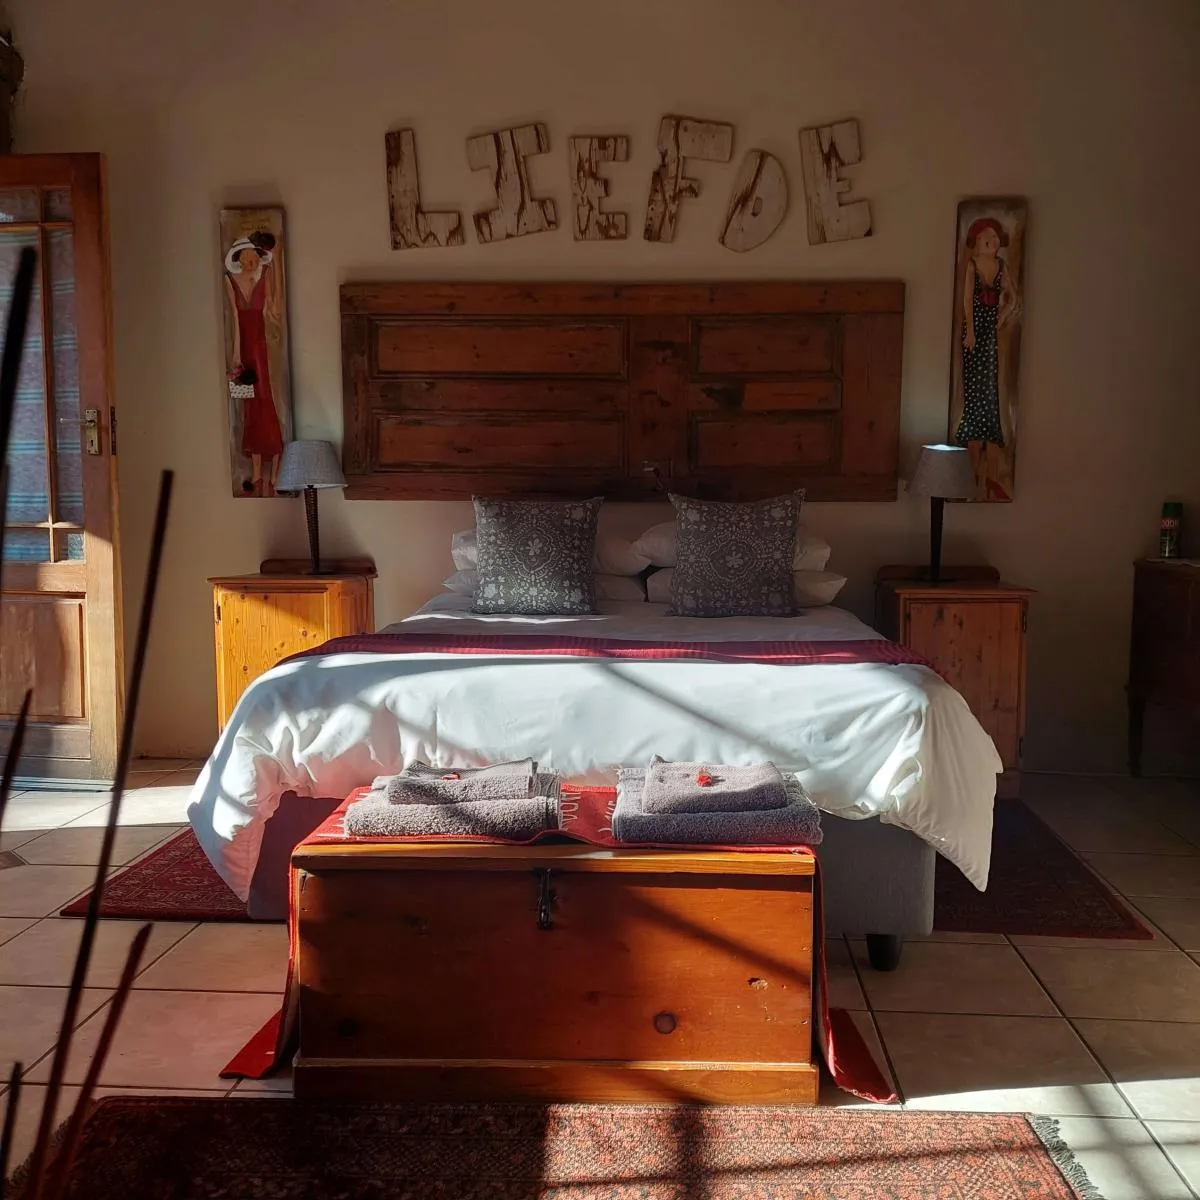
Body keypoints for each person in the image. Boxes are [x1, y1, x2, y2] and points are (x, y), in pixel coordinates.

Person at [954, 216, 1019, 500]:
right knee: (975, 389)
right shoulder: (972, 266)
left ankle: (990, 475)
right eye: (984, 239)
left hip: (989, 334)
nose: (989, 243)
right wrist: (970, 330)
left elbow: (1013, 298)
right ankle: (971, 467)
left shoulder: (1001, 267)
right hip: (975, 334)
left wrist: (1002, 316)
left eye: (993, 239)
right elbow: (968, 300)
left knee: (989, 388)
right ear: (976, 244)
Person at [224, 230, 284, 496]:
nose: (253, 263)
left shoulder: (266, 276)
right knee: (249, 403)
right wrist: (236, 354)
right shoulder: (231, 281)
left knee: (264, 398)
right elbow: (235, 317)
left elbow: (274, 310)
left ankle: (274, 469)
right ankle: (259, 473)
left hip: (260, 345)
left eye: (256, 259)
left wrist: (277, 264)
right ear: (240, 257)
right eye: (249, 258)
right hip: (245, 346)